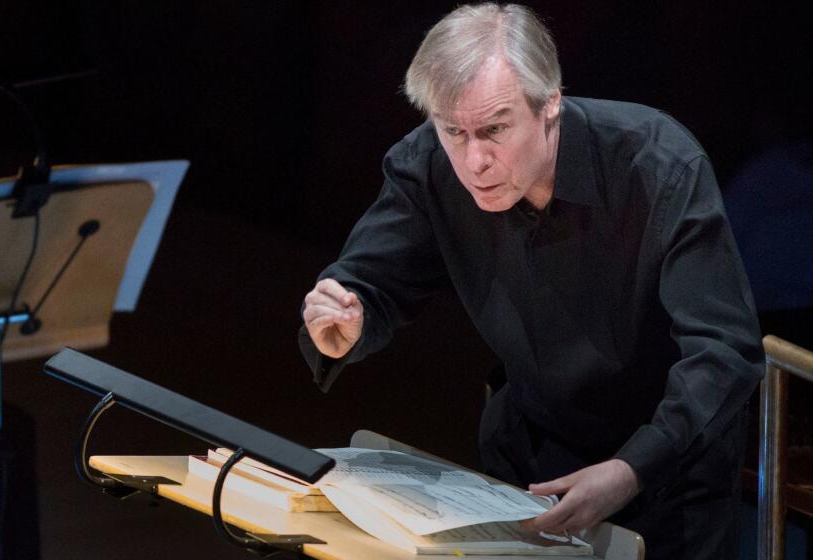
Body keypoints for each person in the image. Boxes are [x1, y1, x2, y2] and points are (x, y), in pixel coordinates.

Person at [299, 4, 764, 558]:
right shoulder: (426, 163)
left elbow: (725, 349)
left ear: (551, 104)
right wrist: (344, 323)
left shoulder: (659, 164)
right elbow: (369, 288)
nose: (474, 161)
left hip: (669, 470)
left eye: (495, 129)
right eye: (454, 131)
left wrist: (631, 469)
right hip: (528, 459)